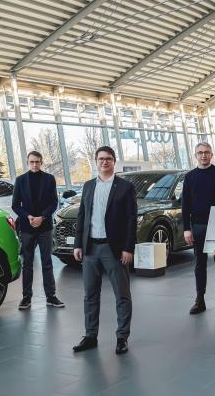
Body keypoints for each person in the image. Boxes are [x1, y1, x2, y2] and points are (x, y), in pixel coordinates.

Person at [72, 146, 137, 355]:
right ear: (95, 161)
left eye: (108, 159)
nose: (104, 162)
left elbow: (131, 220)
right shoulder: (89, 186)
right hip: (90, 247)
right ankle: (90, 335)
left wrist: (128, 248)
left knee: (122, 295)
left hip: (114, 249)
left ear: (114, 162)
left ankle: (122, 337)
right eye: (100, 159)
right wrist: (77, 244)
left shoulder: (125, 187)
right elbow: (82, 216)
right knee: (90, 294)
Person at [182, 142, 215, 316]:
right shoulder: (189, 177)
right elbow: (185, 205)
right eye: (200, 153)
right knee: (200, 265)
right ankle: (200, 300)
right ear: (195, 155)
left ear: (212, 155)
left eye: (206, 153)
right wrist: (186, 229)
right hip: (197, 227)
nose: (203, 155)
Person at [12, 151, 64, 310]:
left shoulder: (49, 179)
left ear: (41, 162)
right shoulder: (20, 180)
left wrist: (42, 217)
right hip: (27, 228)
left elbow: (54, 203)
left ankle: (51, 296)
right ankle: (26, 298)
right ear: (28, 162)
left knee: (47, 262)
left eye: (37, 162)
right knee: (27, 263)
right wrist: (28, 216)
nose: (34, 164)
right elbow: (16, 205)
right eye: (32, 162)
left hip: (44, 227)